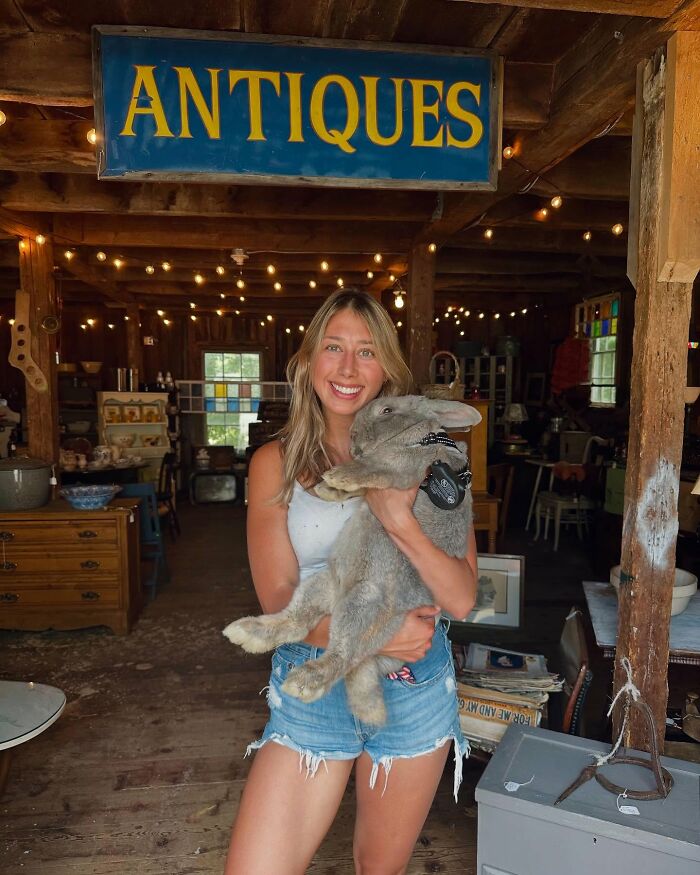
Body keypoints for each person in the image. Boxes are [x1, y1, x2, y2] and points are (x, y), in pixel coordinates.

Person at [225, 289, 478, 875]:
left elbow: (463, 597)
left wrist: (400, 521)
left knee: (378, 869)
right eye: (333, 347)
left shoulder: (433, 455)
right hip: (313, 677)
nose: (347, 368)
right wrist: (373, 637)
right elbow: (278, 598)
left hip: (411, 684)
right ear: (308, 360)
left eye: (366, 352)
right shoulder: (274, 464)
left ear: (387, 367)